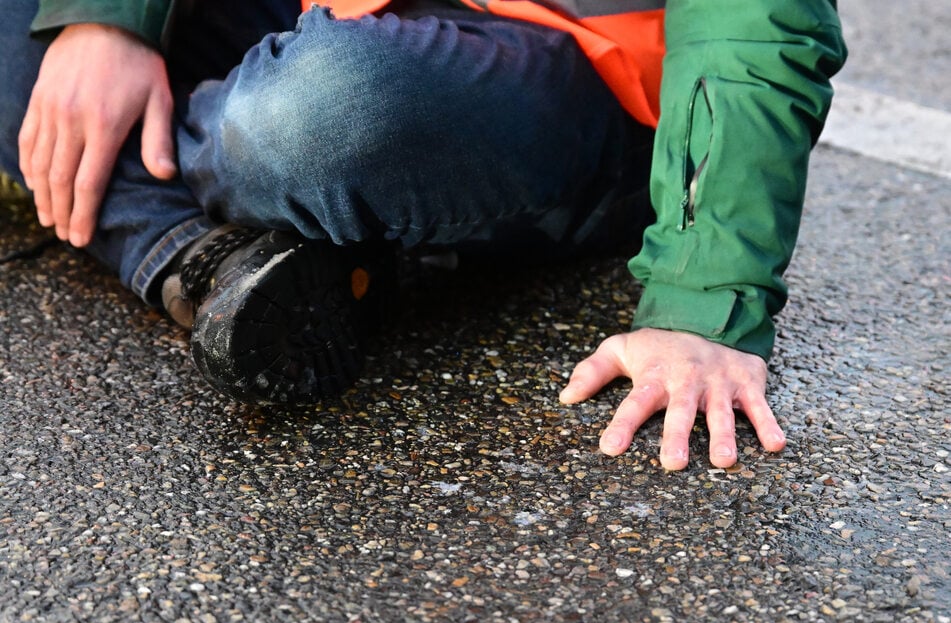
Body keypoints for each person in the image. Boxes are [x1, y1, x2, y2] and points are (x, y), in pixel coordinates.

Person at [0, 0, 846, 470]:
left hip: (580, 77)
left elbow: (756, 28)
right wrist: (109, 18)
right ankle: (209, 259)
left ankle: (242, 196)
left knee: (305, 120)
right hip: (343, 17)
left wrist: (701, 303)